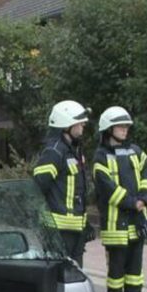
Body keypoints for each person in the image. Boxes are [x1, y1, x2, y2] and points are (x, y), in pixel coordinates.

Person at [93, 106, 147, 292]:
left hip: (137, 219)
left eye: (126, 126)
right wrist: (132, 203)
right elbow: (106, 187)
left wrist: (143, 199)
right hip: (115, 221)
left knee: (135, 263)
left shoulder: (137, 152)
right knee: (116, 264)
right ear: (108, 129)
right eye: (120, 126)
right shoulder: (101, 156)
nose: (125, 129)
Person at [32, 100, 90, 266]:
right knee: (60, 276)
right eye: (79, 122)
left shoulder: (73, 150)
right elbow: (38, 187)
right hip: (58, 232)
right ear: (67, 124)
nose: (83, 125)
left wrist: (84, 223)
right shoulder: (54, 151)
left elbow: (78, 191)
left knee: (75, 275)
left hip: (74, 229)